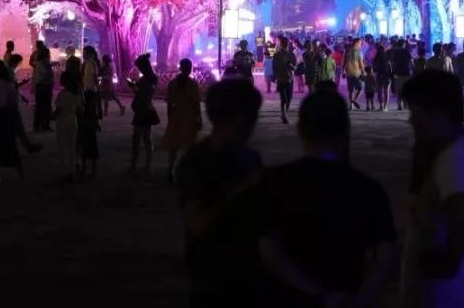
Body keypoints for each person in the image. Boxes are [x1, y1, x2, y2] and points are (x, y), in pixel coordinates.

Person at [255, 89, 395, 308]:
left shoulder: (275, 182)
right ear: (346, 129)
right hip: (348, 293)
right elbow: (384, 260)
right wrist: (357, 301)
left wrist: (317, 293)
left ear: (300, 129)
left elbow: (269, 252)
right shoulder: (368, 190)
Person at [399, 70, 464, 308]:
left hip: (452, 295)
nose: (411, 121)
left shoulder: (455, 158)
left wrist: (436, 264)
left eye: (416, 112)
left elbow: (461, 210)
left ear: (436, 113)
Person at [176, 79, 264, 307]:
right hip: (213, 272)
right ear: (240, 118)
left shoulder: (249, 157)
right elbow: (197, 224)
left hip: (247, 270)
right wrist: (239, 191)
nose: (254, 124)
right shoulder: (197, 162)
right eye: (253, 116)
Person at [162, 58, 203, 182]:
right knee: (190, 145)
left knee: (174, 146)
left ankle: (170, 170)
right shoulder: (192, 84)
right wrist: (199, 118)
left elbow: (169, 103)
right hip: (189, 116)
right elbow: (196, 104)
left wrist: (170, 117)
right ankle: (189, 171)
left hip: (176, 116)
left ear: (180, 68)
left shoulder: (172, 83)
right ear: (189, 69)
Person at [128, 54, 160, 175]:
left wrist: (133, 86)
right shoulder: (153, 78)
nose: (139, 69)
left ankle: (133, 164)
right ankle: (148, 164)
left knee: (137, 138)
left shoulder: (144, 80)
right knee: (147, 138)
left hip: (142, 109)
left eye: (139, 67)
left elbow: (141, 94)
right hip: (148, 108)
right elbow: (147, 93)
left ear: (143, 66)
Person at [53, 69, 81, 183]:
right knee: (72, 147)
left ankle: (64, 172)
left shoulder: (62, 95)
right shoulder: (76, 94)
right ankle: (72, 171)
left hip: (62, 122)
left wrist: (50, 116)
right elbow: (79, 109)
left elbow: (58, 111)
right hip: (73, 121)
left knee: (62, 147)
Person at [31, 40, 54, 132]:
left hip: (41, 86)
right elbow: (46, 75)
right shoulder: (43, 64)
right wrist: (50, 70)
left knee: (40, 106)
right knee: (45, 106)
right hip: (44, 86)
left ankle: (39, 125)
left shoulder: (39, 63)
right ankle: (43, 125)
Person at [273, 38, 297, 124]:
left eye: (286, 43)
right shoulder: (276, 55)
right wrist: (275, 77)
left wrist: (291, 66)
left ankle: (285, 113)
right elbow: (274, 67)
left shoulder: (291, 54)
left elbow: (295, 67)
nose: (285, 44)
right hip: (281, 79)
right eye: (283, 43)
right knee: (283, 98)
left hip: (289, 79)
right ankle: (284, 115)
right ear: (280, 44)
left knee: (289, 98)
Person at [98, 54, 125, 118]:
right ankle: (120, 107)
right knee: (111, 97)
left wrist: (103, 77)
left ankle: (106, 111)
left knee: (108, 97)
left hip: (107, 83)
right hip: (107, 83)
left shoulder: (107, 66)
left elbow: (109, 75)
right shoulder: (107, 66)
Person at [392, 38, 414, 110]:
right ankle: (405, 104)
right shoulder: (406, 51)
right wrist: (413, 69)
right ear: (404, 44)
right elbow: (411, 62)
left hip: (397, 73)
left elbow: (392, 62)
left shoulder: (394, 52)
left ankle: (399, 104)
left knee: (398, 89)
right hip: (406, 72)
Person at [344, 38, 365, 110]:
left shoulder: (347, 51)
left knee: (351, 90)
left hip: (349, 73)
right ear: (356, 43)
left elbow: (344, 62)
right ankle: (354, 100)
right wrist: (363, 72)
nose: (361, 44)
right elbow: (361, 63)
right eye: (360, 43)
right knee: (361, 88)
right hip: (357, 73)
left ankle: (351, 106)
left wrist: (343, 71)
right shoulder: (359, 52)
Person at [372, 43, 392, 111]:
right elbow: (390, 68)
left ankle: (381, 106)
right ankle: (385, 107)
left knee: (379, 92)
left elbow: (374, 68)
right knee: (386, 92)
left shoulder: (376, 58)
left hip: (379, 75)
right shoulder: (388, 57)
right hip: (387, 76)